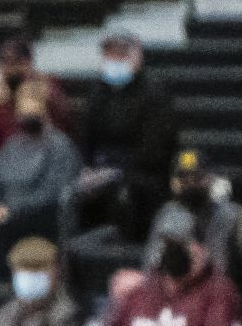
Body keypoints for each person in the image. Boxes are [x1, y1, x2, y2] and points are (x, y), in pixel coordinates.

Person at [74, 33, 180, 247]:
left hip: (143, 174)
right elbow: (85, 139)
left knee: (125, 194)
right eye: (110, 55)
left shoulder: (155, 94)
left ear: (137, 56)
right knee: (71, 193)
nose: (115, 61)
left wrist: (114, 171)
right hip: (100, 170)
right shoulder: (98, 93)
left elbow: (154, 152)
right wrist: (86, 168)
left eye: (122, 55)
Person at [0, 79, 83, 273]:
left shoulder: (60, 146)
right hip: (7, 217)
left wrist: (11, 210)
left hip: (44, 219)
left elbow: (54, 192)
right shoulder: (10, 147)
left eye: (33, 105)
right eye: (23, 107)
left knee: (3, 225)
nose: (27, 113)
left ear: (45, 109)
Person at [108, 206, 241, 326]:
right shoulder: (139, 292)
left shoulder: (218, 292)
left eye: (182, 244)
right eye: (168, 244)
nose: (174, 251)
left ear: (201, 248)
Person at [138, 151, 240, 285]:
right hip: (178, 292)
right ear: (174, 183)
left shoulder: (231, 215)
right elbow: (151, 268)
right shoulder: (167, 216)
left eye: (197, 177)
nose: (191, 183)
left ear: (210, 178)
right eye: (183, 178)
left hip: (221, 293)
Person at [0, 37, 75, 165]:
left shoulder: (47, 90)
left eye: (17, 63)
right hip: (8, 169)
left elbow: (66, 131)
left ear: (29, 63)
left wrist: (45, 98)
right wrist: (5, 159)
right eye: (5, 63)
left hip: (46, 164)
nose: (11, 70)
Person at [0, 237, 79, 326]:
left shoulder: (68, 314)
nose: (31, 279)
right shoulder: (5, 314)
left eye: (38, 270)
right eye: (24, 271)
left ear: (57, 274)